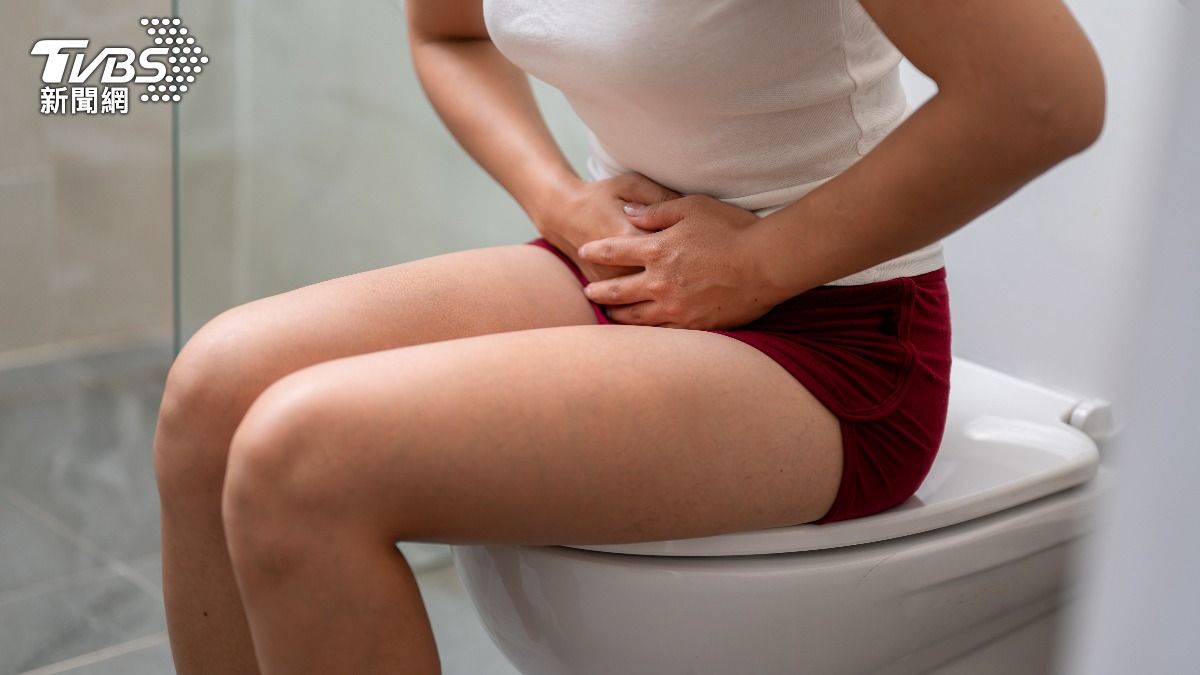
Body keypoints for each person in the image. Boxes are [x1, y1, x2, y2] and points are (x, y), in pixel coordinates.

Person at [152, 1, 1106, 672]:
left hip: (835, 334)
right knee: (213, 391)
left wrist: (762, 262)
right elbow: (445, 31)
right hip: (631, 266)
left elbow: (1044, 97)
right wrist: (560, 200)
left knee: (306, 460)